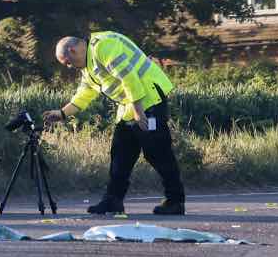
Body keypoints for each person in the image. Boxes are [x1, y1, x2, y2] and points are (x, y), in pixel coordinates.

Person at [42, 32, 186, 215]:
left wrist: (138, 111)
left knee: (157, 152)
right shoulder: (88, 66)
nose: (69, 67)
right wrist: (62, 113)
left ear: (72, 50)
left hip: (149, 99)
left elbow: (128, 77)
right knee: (120, 155)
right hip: (130, 105)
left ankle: (175, 202)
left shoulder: (103, 46)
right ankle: (112, 201)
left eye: (68, 62)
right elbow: (85, 93)